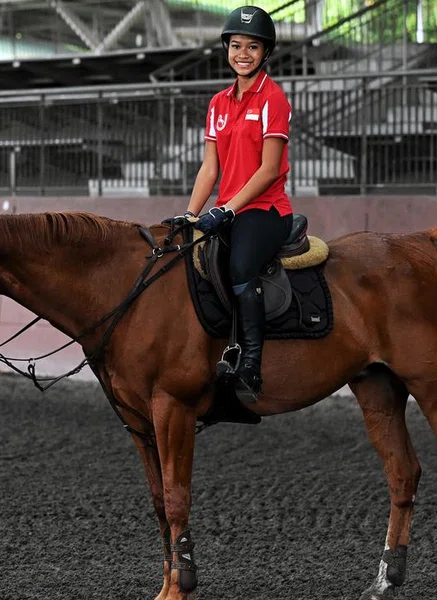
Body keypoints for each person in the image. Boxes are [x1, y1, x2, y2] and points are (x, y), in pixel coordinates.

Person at [186, 5, 295, 405]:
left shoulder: (273, 99)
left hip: (265, 210)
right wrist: (192, 213)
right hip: (225, 209)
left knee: (240, 267)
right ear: (227, 49)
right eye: (236, 45)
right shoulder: (217, 102)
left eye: (252, 46)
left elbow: (268, 171)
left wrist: (228, 209)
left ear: (265, 52)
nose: (243, 53)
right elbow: (209, 167)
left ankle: (250, 362)